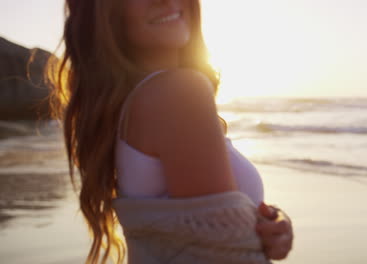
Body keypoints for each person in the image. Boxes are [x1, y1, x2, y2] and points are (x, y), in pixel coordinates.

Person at [47, 0, 293, 263]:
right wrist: (246, 236)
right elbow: (228, 256)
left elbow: (189, 233)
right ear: (106, 13)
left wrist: (263, 220)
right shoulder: (175, 92)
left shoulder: (140, 100)